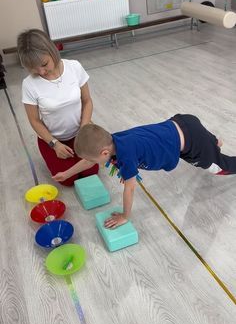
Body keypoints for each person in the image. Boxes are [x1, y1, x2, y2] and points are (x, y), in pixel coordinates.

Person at [53, 114, 236, 227]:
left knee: (218, 167)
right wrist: (66, 174)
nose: (91, 162)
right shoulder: (114, 139)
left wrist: (125, 216)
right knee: (206, 139)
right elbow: (86, 161)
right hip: (183, 121)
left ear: (104, 152)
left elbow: (130, 188)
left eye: (94, 160)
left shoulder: (126, 156)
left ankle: (213, 148)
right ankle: (214, 142)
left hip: (191, 143)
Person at [18, 28, 98, 186]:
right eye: (34, 68)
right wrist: (54, 144)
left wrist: (83, 129)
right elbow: (34, 121)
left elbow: (87, 101)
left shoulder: (74, 67)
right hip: (53, 139)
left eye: (44, 64)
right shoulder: (29, 84)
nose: (41, 71)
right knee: (68, 180)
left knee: (91, 172)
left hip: (80, 133)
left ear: (51, 50)